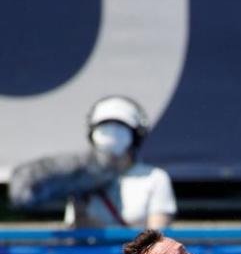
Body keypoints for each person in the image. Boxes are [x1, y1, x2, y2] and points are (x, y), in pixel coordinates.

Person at [9, 95, 177, 228]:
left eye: (119, 128)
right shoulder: (83, 177)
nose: (113, 137)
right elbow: (77, 232)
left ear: (135, 136)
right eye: (106, 128)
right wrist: (82, 213)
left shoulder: (155, 178)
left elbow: (158, 241)